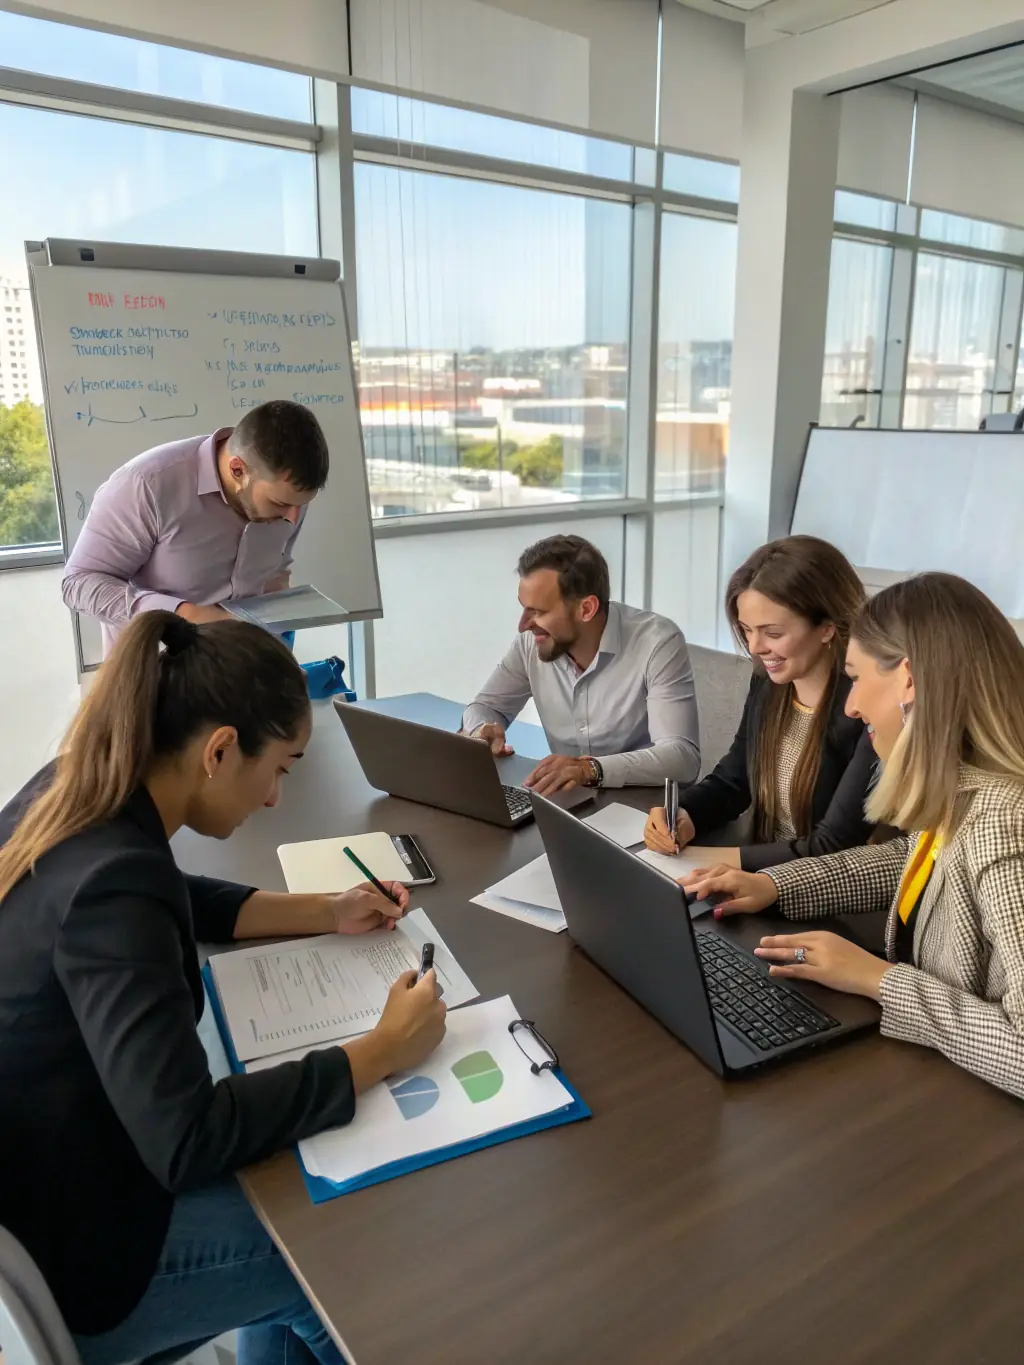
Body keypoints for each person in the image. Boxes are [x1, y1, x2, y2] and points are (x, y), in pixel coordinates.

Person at [0, 611, 446, 1365]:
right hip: (79, 1259)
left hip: (40, 1182)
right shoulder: (113, 883)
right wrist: (380, 1049)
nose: (275, 797)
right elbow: (188, 1138)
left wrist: (325, 910)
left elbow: (173, 891)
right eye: (280, 768)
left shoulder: (79, 789)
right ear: (218, 750)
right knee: (329, 1245)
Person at [685, 572, 1024, 1101]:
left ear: (907, 679)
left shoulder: (1004, 825)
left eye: (858, 677)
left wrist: (879, 980)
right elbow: (910, 861)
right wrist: (775, 884)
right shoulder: (967, 789)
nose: (851, 705)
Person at [644, 536, 877, 871]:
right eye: (746, 630)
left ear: (827, 628)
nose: (754, 647)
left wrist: (697, 861)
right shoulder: (769, 681)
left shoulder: (866, 709)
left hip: (823, 897)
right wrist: (683, 814)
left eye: (773, 633)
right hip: (756, 881)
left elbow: (833, 845)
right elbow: (733, 781)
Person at [62, 399, 330, 657]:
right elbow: (79, 583)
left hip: (243, 677)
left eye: (301, 505)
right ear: (237, 469)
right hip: (155, 678)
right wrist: (184, 615)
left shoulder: (288, 498)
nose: (290, 516)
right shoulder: (147, 484)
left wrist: (278, 658)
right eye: (280, 503)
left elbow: (273, 576)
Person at [463, 534, 700, 795]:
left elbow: (682, 759)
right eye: (524, 608)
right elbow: (486, 706)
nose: (523, 625)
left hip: (643, 810)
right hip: (568, 804)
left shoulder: (657, 643)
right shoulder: (531, 643)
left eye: (539, 612)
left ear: (586, 609)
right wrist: (480, 730)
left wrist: (590, 770)